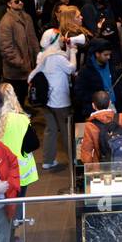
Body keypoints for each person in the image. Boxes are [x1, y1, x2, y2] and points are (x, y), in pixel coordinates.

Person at [0, 83, 38, 242]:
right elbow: (33, 143)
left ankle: (3, 237)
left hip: (1, 170)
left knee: (4, 204)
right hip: (20, 171)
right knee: (16, 206)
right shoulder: (22, 119)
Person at [32, 28, 77, 171]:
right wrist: (74, 53)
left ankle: (47, 160)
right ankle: (73, 160)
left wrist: (68, 51)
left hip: (47, 99)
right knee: (66, 131)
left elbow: (62, 60)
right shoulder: (57, 57)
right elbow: (71, 68)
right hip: (61, 100)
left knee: (50, 129)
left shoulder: (42, 55)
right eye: (59, 38)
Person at [78, 89, 122, 164]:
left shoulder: (90, 126)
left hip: (103, 167)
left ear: (93, 105)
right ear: (109, 103)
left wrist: (93, 168)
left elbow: (86, 153)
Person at [0, 0, 40, 107]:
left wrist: (37, 59)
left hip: (28, 67)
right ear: (9, 4)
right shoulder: (6, 22)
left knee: (23, 99)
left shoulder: (27, 18)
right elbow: (6, 49)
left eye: (21, 0)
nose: (20, 3)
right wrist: (21, 63)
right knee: (15, 102)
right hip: (15, 72)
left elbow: (33, 40)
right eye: (17, 1)